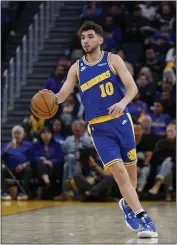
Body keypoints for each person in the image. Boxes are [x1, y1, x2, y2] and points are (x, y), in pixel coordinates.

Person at [42, 21, 158, 238]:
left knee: (131, 179)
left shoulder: (113, 60)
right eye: (83, 37)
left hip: (122, 122)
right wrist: (51, 100)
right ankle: (145, 219)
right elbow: (63, 93)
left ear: (100, 39)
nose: (85, 41)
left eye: (89, 36)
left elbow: (132, 87)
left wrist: (123, 103)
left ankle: (127, 204)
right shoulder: (76, 68)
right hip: (99, 128)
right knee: (120, 173)